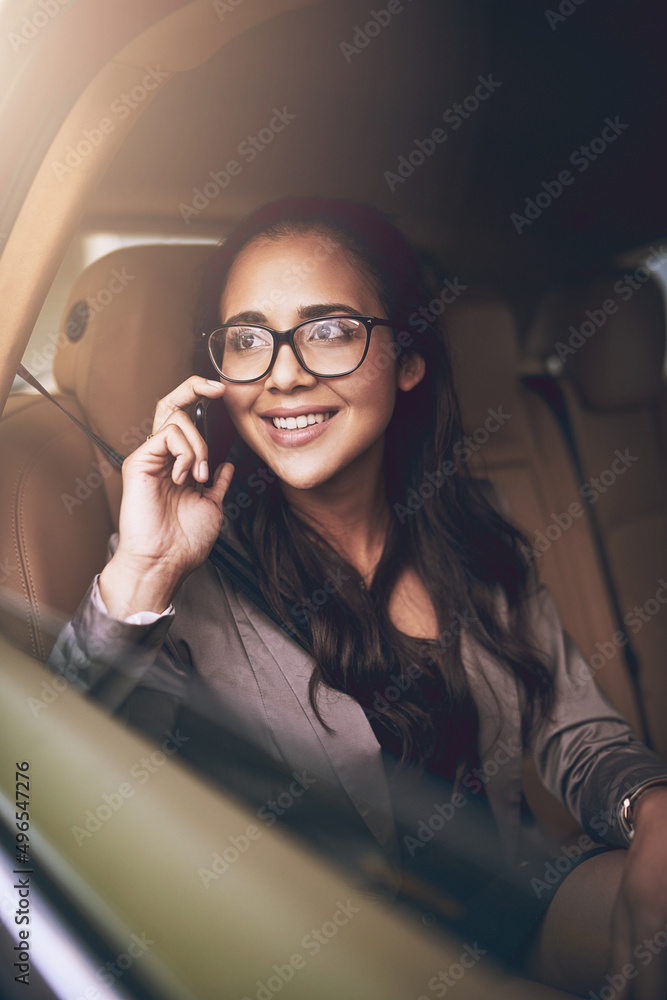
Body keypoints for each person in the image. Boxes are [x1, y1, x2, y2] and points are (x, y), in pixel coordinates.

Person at [48, 197, 667, 997]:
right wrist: (143, 573)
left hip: (512, 917)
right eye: (247, 340)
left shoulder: (469, 534)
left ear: (407, 360)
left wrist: (648, 805)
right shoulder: (172, 571)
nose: (284, 373)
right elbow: (49, 793)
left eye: (329, 330)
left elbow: (576, 733)